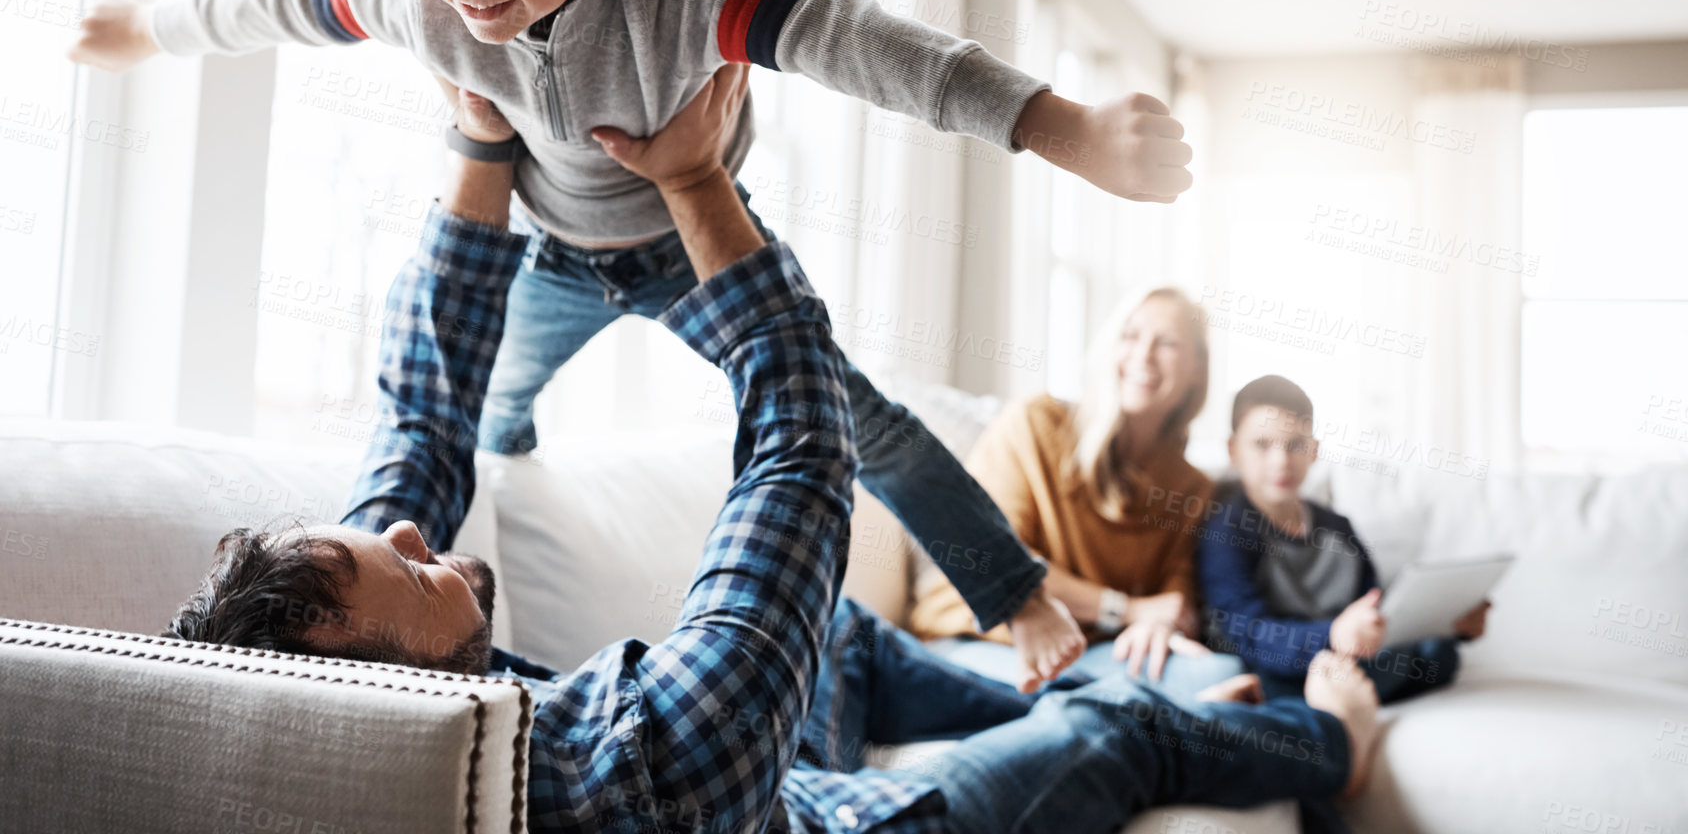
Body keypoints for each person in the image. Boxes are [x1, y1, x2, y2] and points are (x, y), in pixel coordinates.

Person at [69, 0, 1205, 689]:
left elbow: (870, 44)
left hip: (684, 241)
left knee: (862, 421)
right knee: (485, 416)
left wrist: (1061, 126)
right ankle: (506, 472)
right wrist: (146, 27)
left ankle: (1019, 598)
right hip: (546, 248)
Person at [166, 74, 1381, 833]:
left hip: (776, 770)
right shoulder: (631, 770)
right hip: (823, 816)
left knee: (846, 639)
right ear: (374, 678)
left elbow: (420, 420)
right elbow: (802, 451)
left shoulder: (353, 697)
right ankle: (1331, 737)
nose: (407, 532)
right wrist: (697, 187)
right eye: (394, 565)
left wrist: (482, 140)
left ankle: (1140, 688)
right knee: (1112, 727)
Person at [908, 288, 1246, 700]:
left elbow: (1176, 596)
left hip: (1085, 655)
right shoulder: (1034, 425)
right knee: (1126, 703)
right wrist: (1128, 610)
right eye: (1130, 335)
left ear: (1197, 367)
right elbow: (995, 558)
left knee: (1218, 675)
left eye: (1167, 343)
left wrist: (1158, 624)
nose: (1143, 355)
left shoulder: (1192, 488)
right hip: (980, 641)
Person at [1197, 375, 1489, 703]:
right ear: (1232, 451)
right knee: (1264, 679)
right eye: (1262, 445)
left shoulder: (1338, 527)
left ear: (1314, 450)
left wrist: (1447, 622)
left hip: (1351, 660)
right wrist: (1333, 635)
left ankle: (1359, 687)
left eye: (1295, 445)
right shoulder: (1228, 531)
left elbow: (1374, 606)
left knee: (1440, 654)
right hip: (1280, 668)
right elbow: (1248, 633)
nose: (1281, 460)